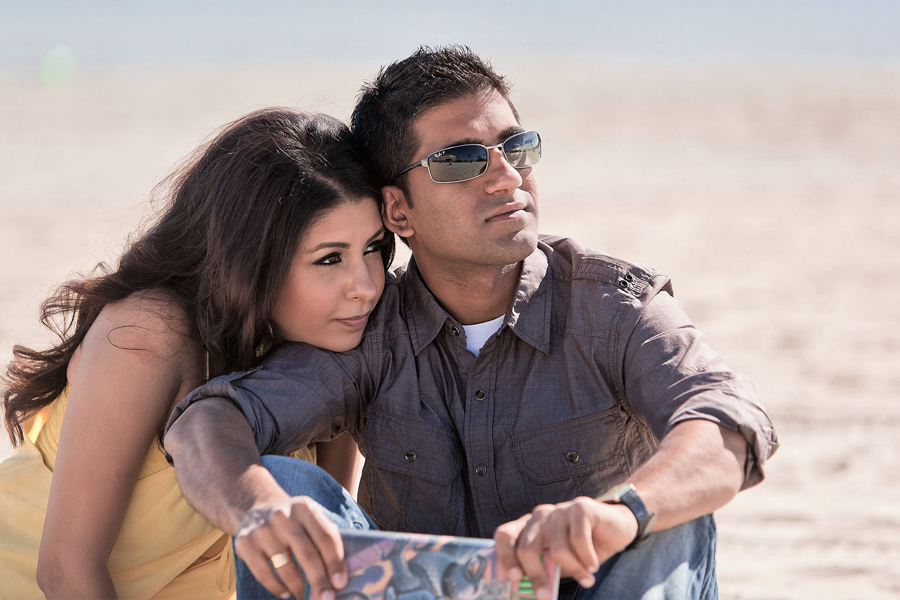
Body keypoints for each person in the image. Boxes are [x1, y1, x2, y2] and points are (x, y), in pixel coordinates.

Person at [164, 46, 779, 600]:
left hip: (597, 586)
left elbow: (727, 419)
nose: (507, 177)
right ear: (398, 211)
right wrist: (257, 509)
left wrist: (619, 513)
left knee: (671, 520)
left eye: (517, 147)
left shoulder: (612, 306)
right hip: (421, 590)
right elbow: (209, 421)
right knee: (281, 483)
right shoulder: (371, 332)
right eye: (460, 161)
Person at [0, 108, 394, 599]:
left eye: (373, 247)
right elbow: (65, 569)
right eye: (330, 258)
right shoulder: (149, 334)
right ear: (252, 259)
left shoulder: (336, 352)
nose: (366, 286)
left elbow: (322, 568)